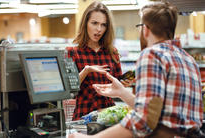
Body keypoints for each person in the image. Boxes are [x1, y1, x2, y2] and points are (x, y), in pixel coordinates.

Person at [68, 1, 203, 138]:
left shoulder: (152, 54)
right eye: (95, 23)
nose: (99, 29)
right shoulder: (189, 59)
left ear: (145, 29)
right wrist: (121, 92)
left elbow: (142, 121)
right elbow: (156, 112)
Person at [66, 1, 130, 121]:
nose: (99, 29)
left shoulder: (112, 52)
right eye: (94, 23)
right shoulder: (73, 52)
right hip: (84, 116)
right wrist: (86, 70)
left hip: (108, 114)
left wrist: (124, 83)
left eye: (103, 25)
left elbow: (117, 86)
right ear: (85, 24)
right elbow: (69, 89)